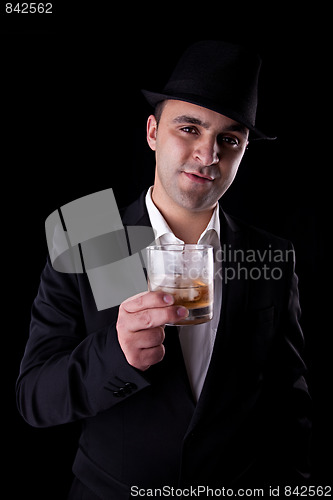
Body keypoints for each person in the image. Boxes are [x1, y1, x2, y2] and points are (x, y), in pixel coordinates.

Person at [16, 41, 312, 499]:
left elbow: (288, 401)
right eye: (189, 128)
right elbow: (34, 398)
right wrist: (117, 354)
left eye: (229, 140)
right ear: (153, 131)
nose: (208, 154)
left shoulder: (269, 254)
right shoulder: (86, 232)